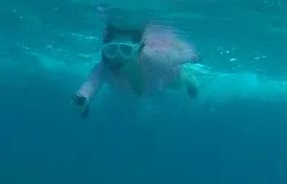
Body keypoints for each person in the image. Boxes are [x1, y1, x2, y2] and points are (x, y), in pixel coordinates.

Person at [71, 22, 201, 118]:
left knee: (177, 85)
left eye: (126, 50)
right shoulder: (105, 66)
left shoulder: (152, 58)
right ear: (105, 50)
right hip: (142, 88)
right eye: (111, 50)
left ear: (138, 51)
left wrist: (191, 56)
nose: (118, 57)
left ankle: (189, 79)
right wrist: (81, 100)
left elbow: (175, 57)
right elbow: (91, 83)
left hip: (163, 77)